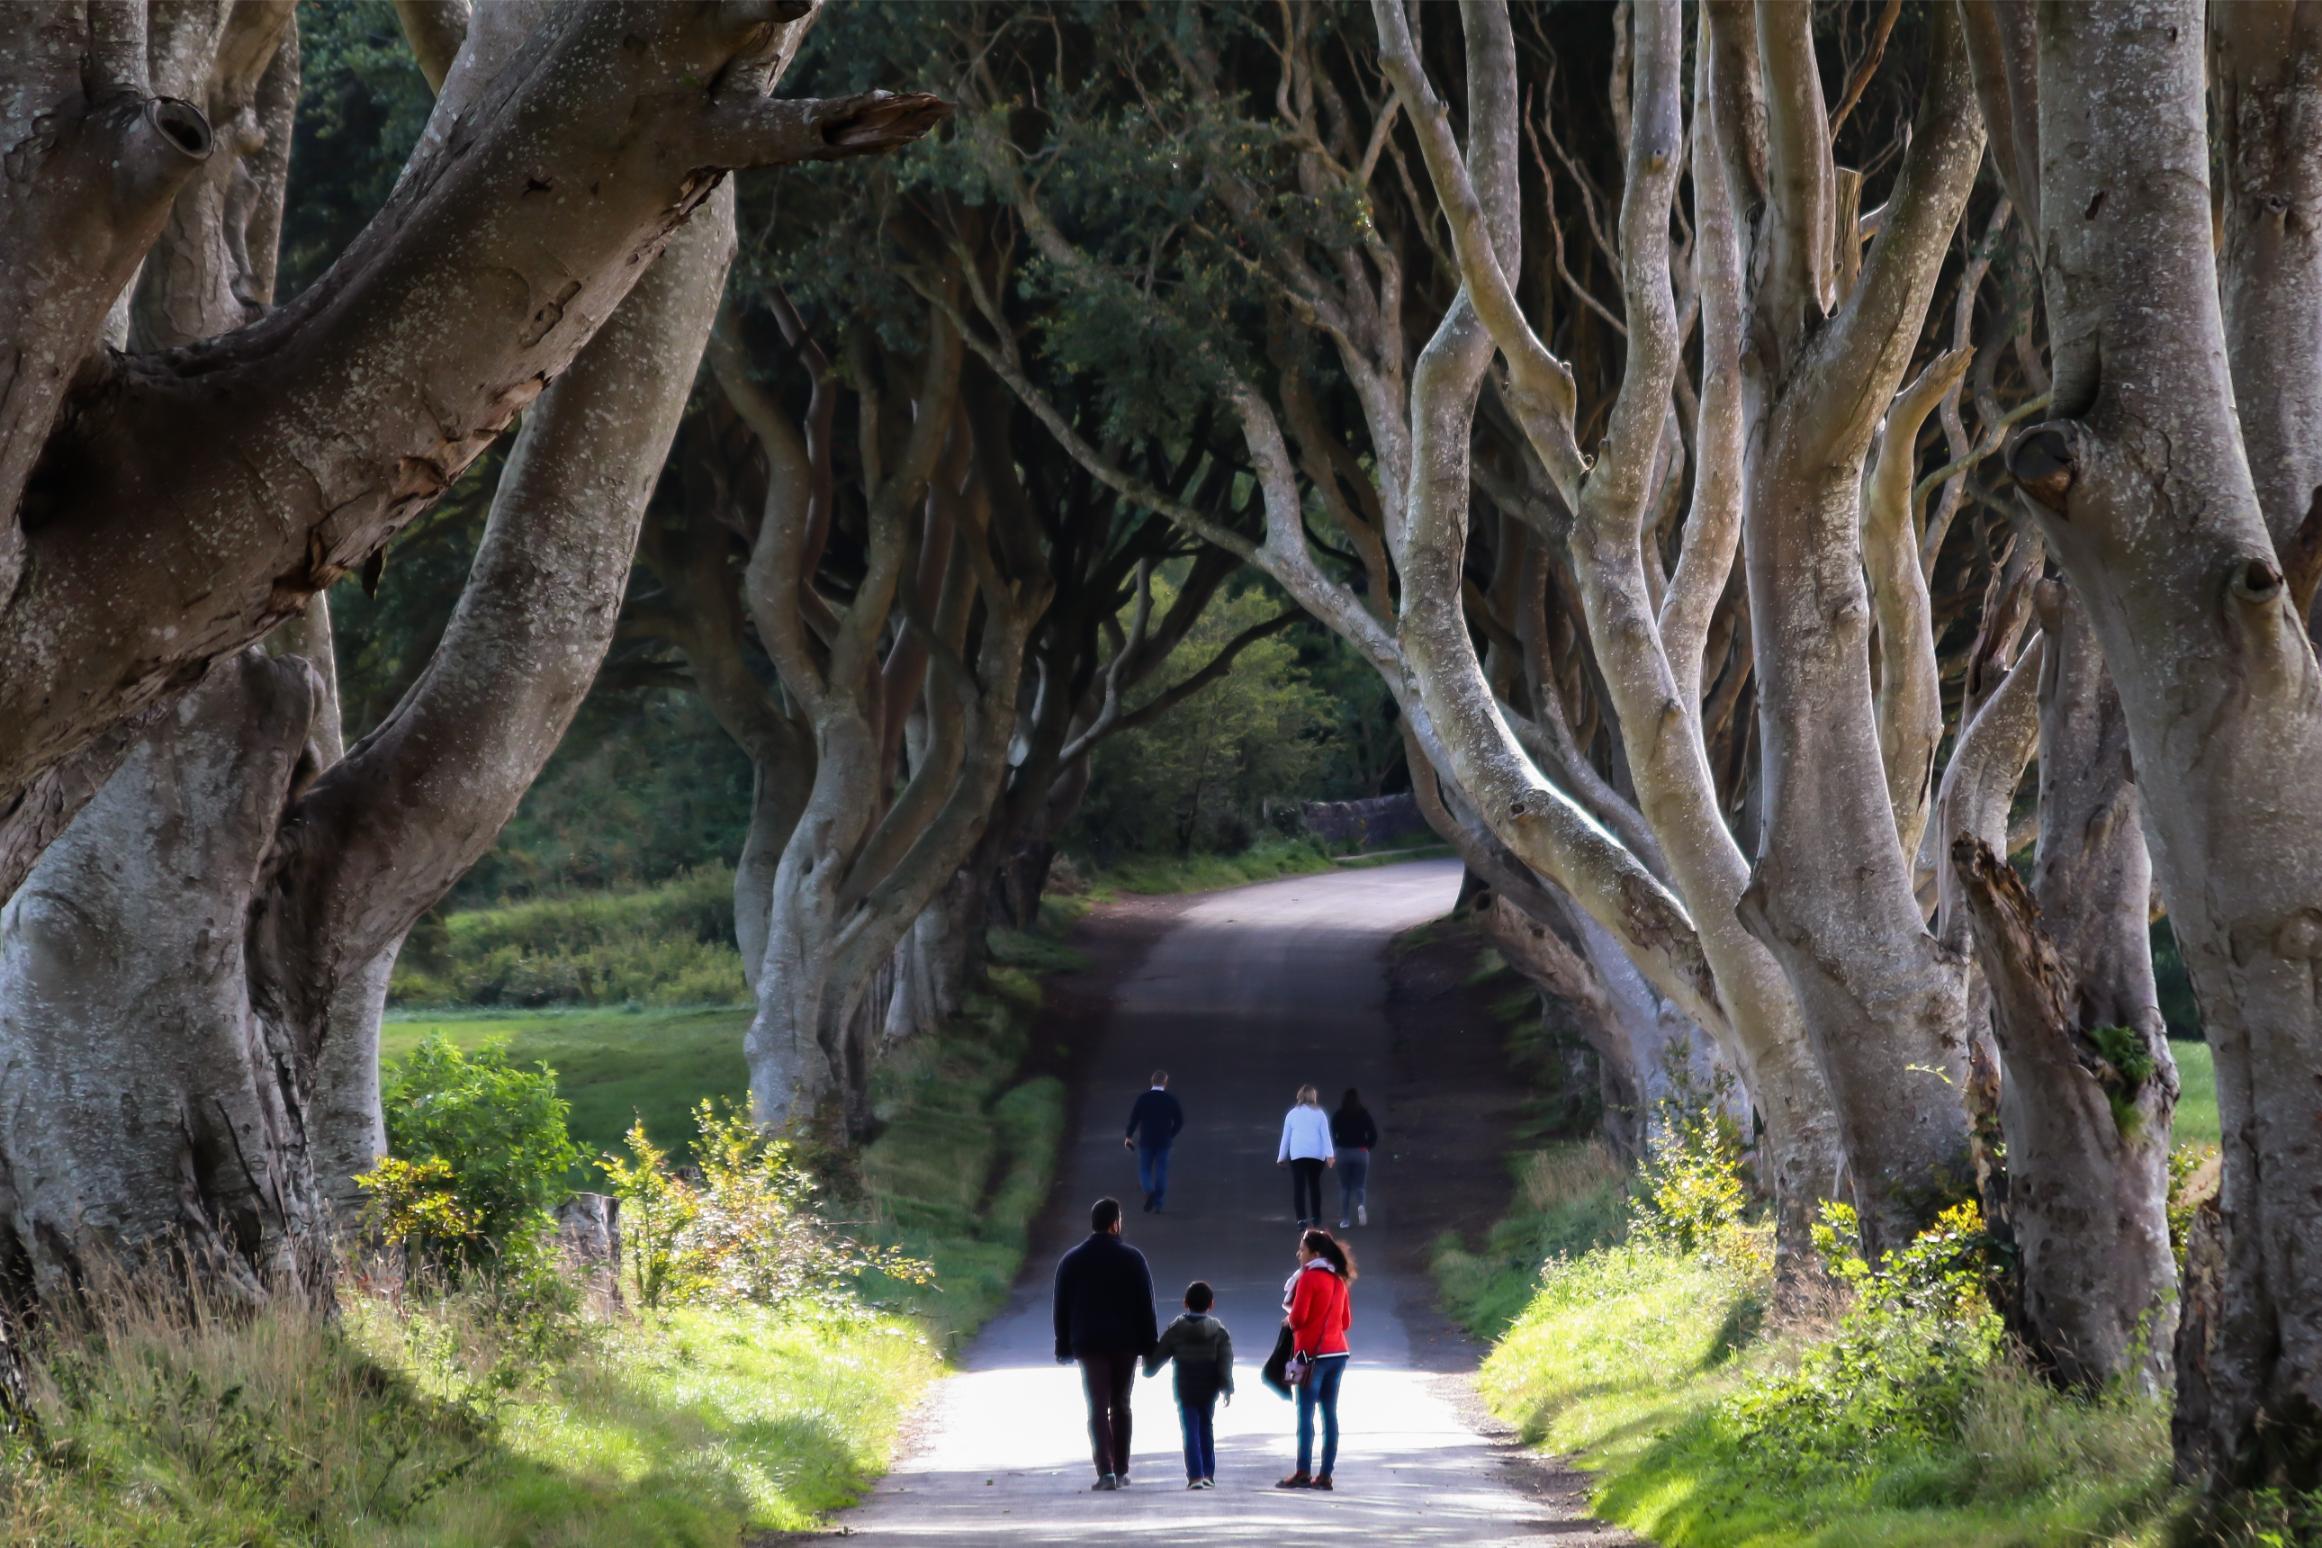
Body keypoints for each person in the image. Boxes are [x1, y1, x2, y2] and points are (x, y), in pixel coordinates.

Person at [1053, 1197, 1159, 1490]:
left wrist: (1063, 1345)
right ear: (1115, 1223)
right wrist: (1150, 1347)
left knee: (1097, 1406)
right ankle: (1122, 1468)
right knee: (1121, 1404)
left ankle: (1105, 1472)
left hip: (1088, 1343)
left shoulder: (1071, 1260)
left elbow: (1060, 1306)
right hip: (1126, 1343)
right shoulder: (1133, 1258)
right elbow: (1146, 1306)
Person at [1276, 1228, 1355, 1492]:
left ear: (1315, 1254)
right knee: (1329, 1414)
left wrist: (1290, 1321)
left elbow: (1298, 1319)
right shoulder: (1338, 1279)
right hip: (1338, 1353)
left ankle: (1302, 1471)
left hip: (1311, 1355)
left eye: (1303, 1249)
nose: (1299, 1253)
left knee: (1305, 1413)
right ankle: (1325, 1475)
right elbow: (1346, 1321)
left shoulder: (1309, 1279)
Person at [1144, 1279, 1235, 1489]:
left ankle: (1195, 1476)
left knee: (1190, 1429)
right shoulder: (1219, 1331)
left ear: (1185, 1303)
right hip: (1209, 1385)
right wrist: (1226, 1386)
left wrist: (1149, 1368)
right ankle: (1208, 1474)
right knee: (1206, 1427)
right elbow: (1226, 1360)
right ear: (1211, 1304)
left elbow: (1159, 1354)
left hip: (1185, 1385)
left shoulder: (1176, 1330)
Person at [1123, 1069, 1185, 1213]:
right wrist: (1171, 1134)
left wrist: (1128, 1136)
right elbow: (1179, 1121)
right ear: (1165, 1082)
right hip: (1164, 1140)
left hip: (1146, 1140)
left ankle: (1149, 1190)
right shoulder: (1170, 1099)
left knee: (1144, 1169)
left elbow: (1134, 1119)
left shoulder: (1143, 1098)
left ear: (1152, 1081)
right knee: (1161, 1170)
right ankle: (1158, 1202)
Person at [1275, 1084, 1334, 1228]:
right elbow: (1326, 1136)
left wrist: (1281, 1157)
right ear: (1314, 1097)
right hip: (1316, 1155)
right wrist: (1330, 1155)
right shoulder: (1320, 1114)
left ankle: (1301, 1219)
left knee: (1299, 1187)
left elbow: (1286, 1138)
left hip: (1298, 1154)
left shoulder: (1292, 1114)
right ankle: (1316, 1217)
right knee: (1314, 1185)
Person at [1331, 1088, 1378, 1228]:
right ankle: (1361, 1206)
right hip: (1360, 1152)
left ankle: (1345, 1219)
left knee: (1345, 1187)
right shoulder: (1364, 1114)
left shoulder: (1338, 1115)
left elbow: (1332, 1134)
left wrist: (1337, 1146)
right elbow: (1373, 1134)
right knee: (1360, 1185)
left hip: (1343, 1152)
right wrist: (1367, 1146)